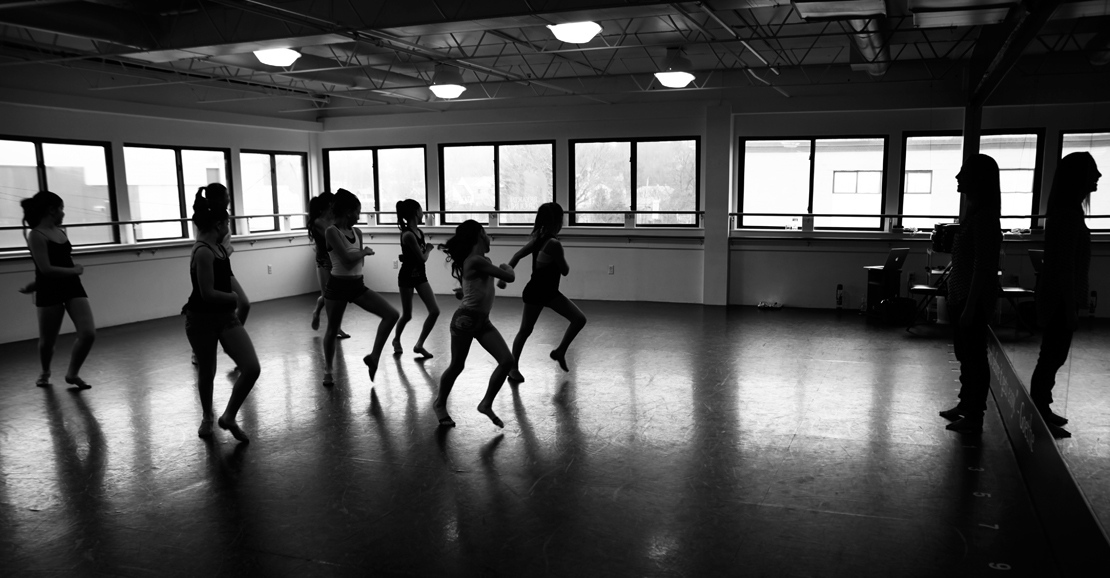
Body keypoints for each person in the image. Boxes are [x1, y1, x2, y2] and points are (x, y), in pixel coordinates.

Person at [1029, 152, 1101, 438]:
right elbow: (1065, 266)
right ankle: (1039, 411)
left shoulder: (1067, 211)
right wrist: (1071, 307)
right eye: (1093, 172)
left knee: (1052, 355)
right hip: (1060, 298)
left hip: (1059, 296)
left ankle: (1042, 408)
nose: (1098, 177)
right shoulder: (1068, 215)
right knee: (1052, 355)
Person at [183, 185, 260, 442]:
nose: (229, 226)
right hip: (201, 319)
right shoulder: (203, 251)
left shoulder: (217, 248)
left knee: (251, 367)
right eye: (227, 222)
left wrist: (234, 302)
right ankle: (207, 416)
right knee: (207, 371)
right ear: (218, 224)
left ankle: (228, 416)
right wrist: (235, 298)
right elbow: (206, 293)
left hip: (225, 317)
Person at [940, 154, 1003, 433]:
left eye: (964, 172)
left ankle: (975, 416)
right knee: (966, 355)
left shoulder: (985, 218)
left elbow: (983, 266)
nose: (958, 177)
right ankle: (965, 405)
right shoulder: (974, 216)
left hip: (970, 300)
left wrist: (969, 307)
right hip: (961, 297)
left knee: (975, 359)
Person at [433, 220, 516, 428]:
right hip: (465, 321)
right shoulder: (475, 260)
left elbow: (474, 285)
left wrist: (464, 292)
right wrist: (507, 268)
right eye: (487, 233)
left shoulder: (481, 260)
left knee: (507, 361)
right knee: (457, 365)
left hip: (483, 321)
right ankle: (439, 404)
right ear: (480, 234)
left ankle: (486, 404)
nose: (489, 239)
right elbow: (509, 277)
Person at [321, 189, 399, 386]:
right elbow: (347, 260)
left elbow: (357, 264)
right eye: (358, 211)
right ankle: (328, 370)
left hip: (357, 285)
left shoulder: (357, 232)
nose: (359, 216)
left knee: (391, 315)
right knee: (332, 329)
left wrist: (361, 254)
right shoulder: (332, 231)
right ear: (348, 212)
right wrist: (363, 252)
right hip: (337, 286)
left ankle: (374, 357)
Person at [22, 191, 96, 389]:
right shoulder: (36, 235)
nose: (63, 213)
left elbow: (57, 261)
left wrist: (71, 273)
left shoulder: (60, 232)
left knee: (88, 333)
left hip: (72, 286)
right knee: (48, 340)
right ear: (51, 210)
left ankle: (72, 374)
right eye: (61, 209)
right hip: (49, 289)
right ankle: (45, 371)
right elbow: (45, 269)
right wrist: (75, 270)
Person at [505, 203, 586, 382]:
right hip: (537, 293)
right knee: (526, 329)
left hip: (547, 292)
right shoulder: (554, 244)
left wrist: (506, 272)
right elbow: (565, 270)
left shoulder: (539, 239)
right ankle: (512, 367)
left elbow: (517, 255)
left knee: (578, 319)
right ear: (557, 221)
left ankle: (560, 351)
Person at [392, 199, 439, 358]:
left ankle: (419, 345)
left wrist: (408, 256)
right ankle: (396, 340)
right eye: (421, 210)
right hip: (407, 277)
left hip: (420, 276)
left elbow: (412, 254)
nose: (423, 213)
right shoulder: (408, 235)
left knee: (434, 311)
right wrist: (429, 249)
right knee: (407, 314)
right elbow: (422, 258)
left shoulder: (419, 232)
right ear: (415, 212)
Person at [307, 191, 348, 338]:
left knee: (337, 296)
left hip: (335, 261)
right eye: (333, 204)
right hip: (323, 262)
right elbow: (333, 237)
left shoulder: (334, 220)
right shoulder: (318, 222)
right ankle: (330, 323)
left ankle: (333, 324)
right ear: (328, 205)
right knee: (327, 296)